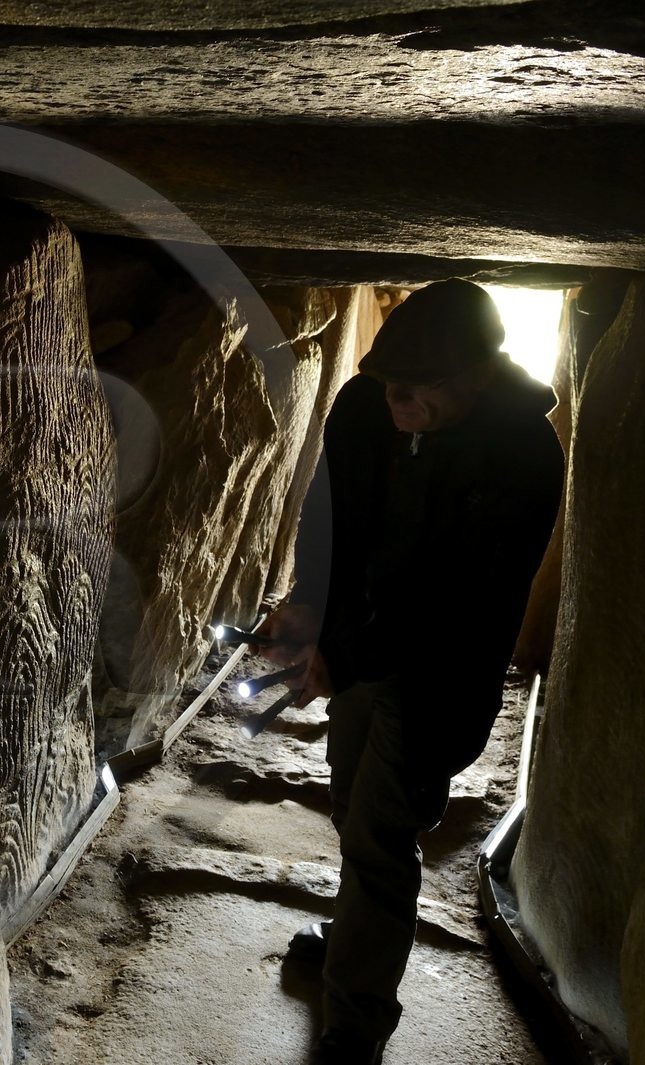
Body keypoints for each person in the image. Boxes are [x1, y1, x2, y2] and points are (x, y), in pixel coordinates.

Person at [257, 279, 565, 1064]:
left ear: (478, 377)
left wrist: (339, 654)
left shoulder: (524, 453)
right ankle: (354, 934)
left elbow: (458, 598)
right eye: (388, 380)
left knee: (381, 834)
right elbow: (326, 517)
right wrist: (308, 608)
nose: (396, 398)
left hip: (436, 677)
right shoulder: (365, 408)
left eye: (418, 388)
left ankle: (355, 1024)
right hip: (362, 649)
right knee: (348, 793)